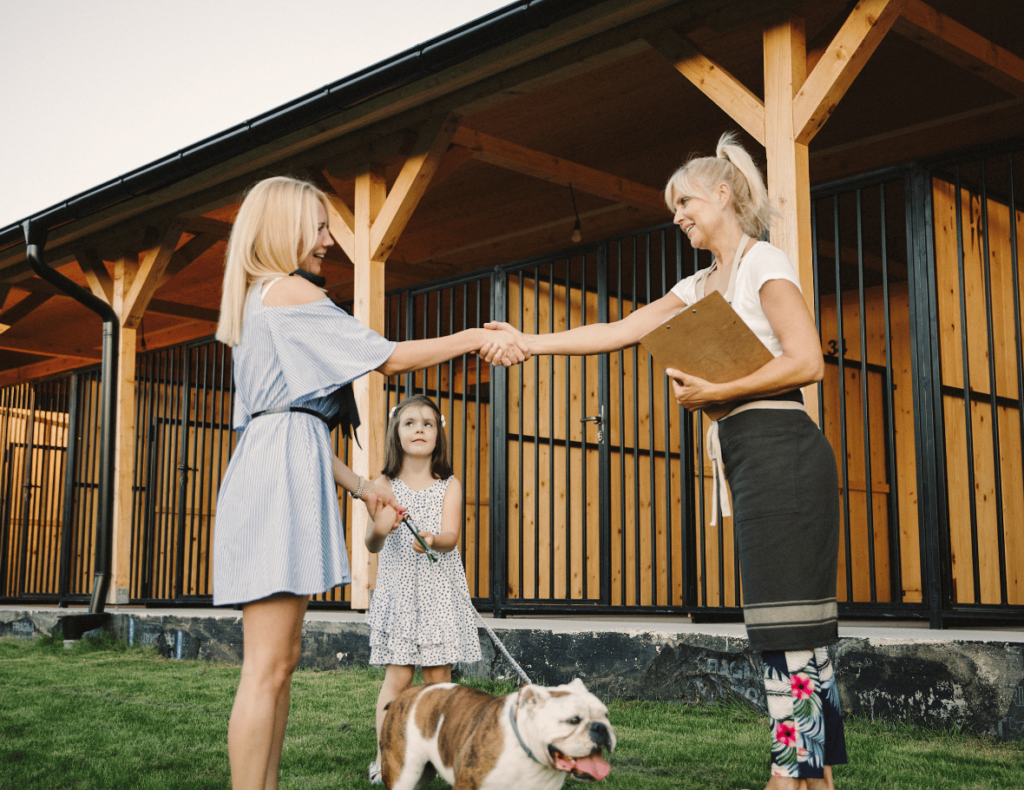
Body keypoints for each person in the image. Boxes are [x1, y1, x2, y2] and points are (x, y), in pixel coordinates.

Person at [486, 132, 846, 790]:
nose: (676, 214)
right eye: (672, 205)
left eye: (684, 201)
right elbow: (619, 330)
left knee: (790, 624)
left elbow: (806, 361)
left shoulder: (765, 261)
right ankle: (808, 772)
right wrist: (529, 342)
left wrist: (719, 391)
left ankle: (790, 768)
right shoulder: (701, 284)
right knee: (778, 626)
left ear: (723, 194)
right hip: (750, 456)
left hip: (785, 453)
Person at [213, 176, 525, 790]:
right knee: (268, 666)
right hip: (277, 478)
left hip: (277, 464)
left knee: (282, 662)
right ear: (283, 228)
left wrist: (360, 484)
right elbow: (388, 357)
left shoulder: (261, 300)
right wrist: (476, 337)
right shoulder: (287, 292)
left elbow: (287, 421)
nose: (329, 239)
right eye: (320, 225)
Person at [363, 394, 482, 785]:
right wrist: (381, 527)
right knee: (398, 678)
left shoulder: (449, 484)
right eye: (410, 423)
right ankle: (386, 756)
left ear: (438, 434)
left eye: (428, 424)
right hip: (400, 594)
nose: (419, 429)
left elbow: (450, 537)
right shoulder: (383, 485)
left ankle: (447, 757)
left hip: (436, 595)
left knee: (439, 679)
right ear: (396, 434)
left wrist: (432, 539)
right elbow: (372, 543)